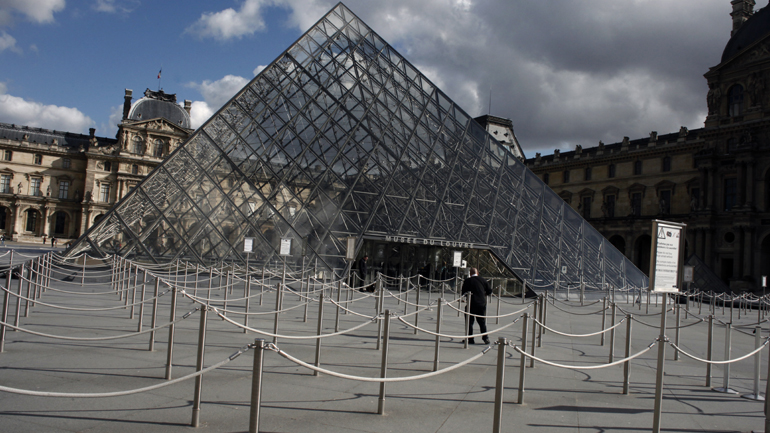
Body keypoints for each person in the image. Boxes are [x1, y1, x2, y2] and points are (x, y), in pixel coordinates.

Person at [461, 267, 492, 345]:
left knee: (469, 322)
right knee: (482, 322)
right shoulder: (483, 280)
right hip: (481, 303)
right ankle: (485, 338)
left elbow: (463, 292)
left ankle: (470, 339)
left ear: (470, 274)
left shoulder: (468, 281)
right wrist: (484, 294)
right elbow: (489, 291)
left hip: (471, 304)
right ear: (477, 273)